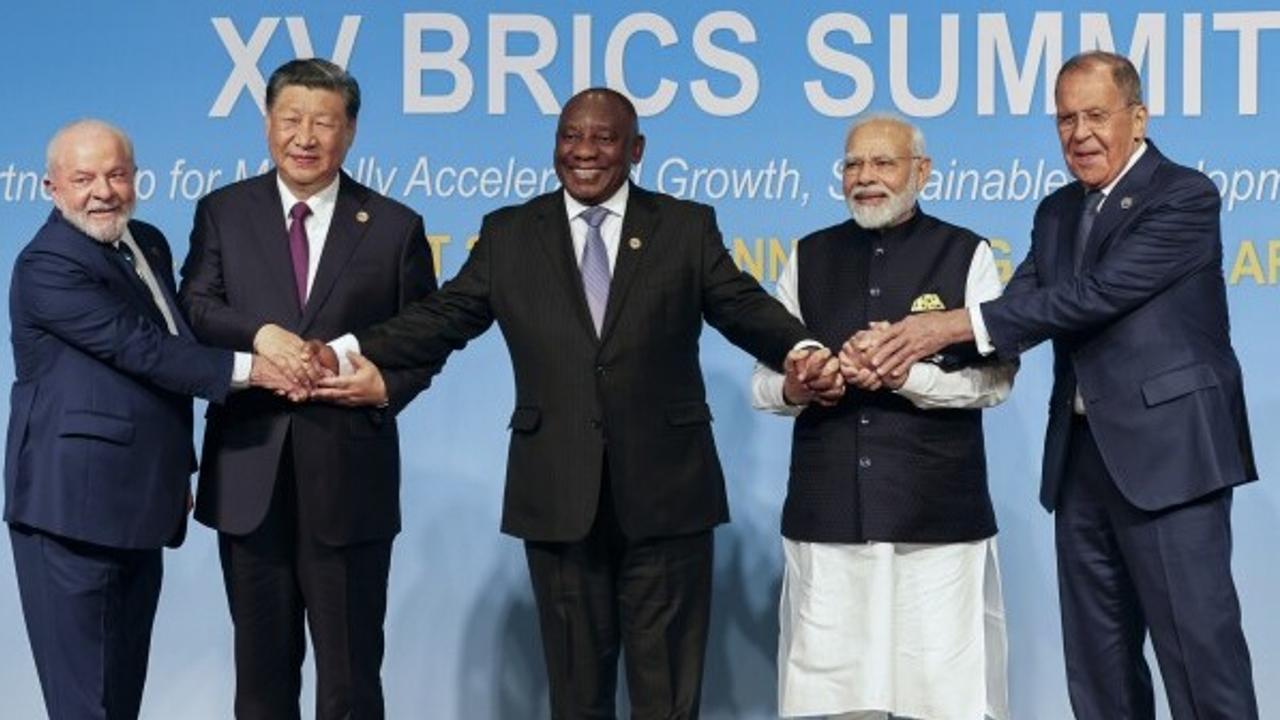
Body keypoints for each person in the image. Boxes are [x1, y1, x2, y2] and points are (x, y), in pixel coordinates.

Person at [311, 87, 840, 719]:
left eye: (603, 138)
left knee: (668, 695)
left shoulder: (684, 226)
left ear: (635, 149)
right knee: (574, 694)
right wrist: (347, 348)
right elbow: (442, 317)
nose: (583, 152)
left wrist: (800, 347)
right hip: (557, 495)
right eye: (570, 137)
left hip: (669, 495)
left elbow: (743, 306)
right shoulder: (509, 233)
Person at [863, 51, 1258, 719]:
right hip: (1080, 464)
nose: (1080, 134)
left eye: (1097, 116)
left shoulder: (1184, 196)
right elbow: (1016, 317)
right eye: (1066, 119)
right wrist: (906, 354)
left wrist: (950, 325)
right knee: (1098, 667)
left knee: (1199, 663)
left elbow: (1094, 296)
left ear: (1138, 117)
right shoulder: (1055, 213)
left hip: (1170, 461)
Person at [5, 119, 294, 720]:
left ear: (136, 178)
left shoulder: (149, 242)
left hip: (140, 502)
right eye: (83, 178)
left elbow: (172, 337)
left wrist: (174, 470)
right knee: (86, 702)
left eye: (115, 174)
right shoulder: (48, 265)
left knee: (121, 694)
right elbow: (141, 348)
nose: (102, 191)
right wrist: (255, 368)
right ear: (50, 188)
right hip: (71, 513)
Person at [177, 59, 437, 720]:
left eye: (324, 122)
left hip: (349, 479)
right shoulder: (223, 212)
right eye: (291, 119)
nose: (305, 136)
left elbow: (423, 336)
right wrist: (260, 332)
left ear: (350, 132)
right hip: (249, 475)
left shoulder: (394, 227)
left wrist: (385, 386)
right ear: (267, 123)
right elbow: (195, 305)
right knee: (261, 682)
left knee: (349, 683)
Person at [751, 115, 1015, 720]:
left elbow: (997, 382)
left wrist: (908, 376)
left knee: (944, 699)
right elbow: (762, 386)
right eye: (852, 165)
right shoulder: (808, 255)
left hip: (938, 523)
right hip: (828, 517)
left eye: (883, 163)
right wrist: (799, 386)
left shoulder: (966, 252)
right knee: (828, 699)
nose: (865, 178)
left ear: (920, 171)